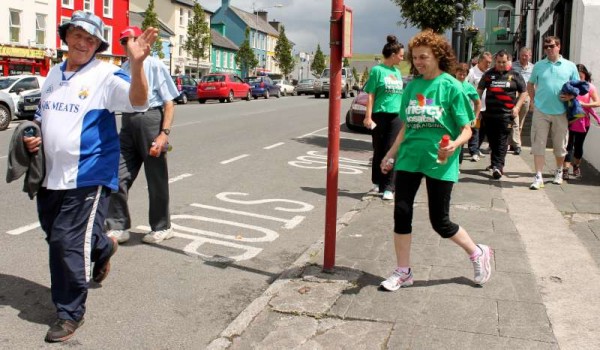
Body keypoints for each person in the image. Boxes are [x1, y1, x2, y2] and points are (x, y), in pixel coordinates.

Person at [22, 12, 157, 342]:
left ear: (99, 45)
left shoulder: (107, 75)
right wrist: (32, 135)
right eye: (78, 35)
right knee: (57, 234)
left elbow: (138, 101)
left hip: (88, 174)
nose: (83, 43)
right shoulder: (53, 74)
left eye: (91, 39)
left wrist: (137, 65)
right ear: (66, 36)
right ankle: (103, 247)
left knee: (65, 242)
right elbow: (42, 116)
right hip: (50, 176)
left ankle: (69, 313)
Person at [379, 29, 492, 292]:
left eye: (423, 57)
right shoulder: (412, 87)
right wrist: (390, 154)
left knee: (440, 222)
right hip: (409, 158)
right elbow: (406, 127)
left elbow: (467, 128)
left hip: (441, 160)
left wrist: (454, 144)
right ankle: (403, 271)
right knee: (401, 212)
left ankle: (477, 253)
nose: (418, 62)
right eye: (415, 57)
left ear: (437, 56)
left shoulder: (451, 86)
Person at [105, 26, 179, 244]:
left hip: (150, 119)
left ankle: (162, 227)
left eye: (132, 39)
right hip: (128, 122)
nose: (129, 44)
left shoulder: (155, 65)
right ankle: (118, 225)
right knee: (116, 176)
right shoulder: (123, 68)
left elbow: (169, 102)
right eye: (124, 40)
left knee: (156, 178)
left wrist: (164, 134)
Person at [527, 36, 579, 189]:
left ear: (559, 46)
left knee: (560, 145)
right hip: (541, 111)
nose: (548, 49)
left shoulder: (570, 66)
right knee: (538, 144)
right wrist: (533, 100)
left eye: (551, 46)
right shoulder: (539, 65)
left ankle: (558, 171)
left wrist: (571, 96)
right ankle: (538, 177)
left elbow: (578, 88)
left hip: (561, 111)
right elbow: (530, 85)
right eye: (546, 47)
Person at [363, 35, 405, 200]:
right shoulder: (377, 71)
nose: (402, 58)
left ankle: (389, 187)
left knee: (391, 150)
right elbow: (371, 95)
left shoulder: (398, 72)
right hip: (379, 115)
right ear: (393, 54)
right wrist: (368, 116)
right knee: (379, 149)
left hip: (396, 116)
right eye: (401, 55)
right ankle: (377, 182)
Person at [477, 50, 528, 179]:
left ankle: (498, 166)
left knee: (502, 140)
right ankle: (495, 163)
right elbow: (479, 90)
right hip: (489, 114)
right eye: (498, 62)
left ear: (508, 61)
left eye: (503, 62)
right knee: (493, 141)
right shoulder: (489, 74)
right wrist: (477, 108)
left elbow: (524, 92)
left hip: (506, 115)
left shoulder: (515, 74)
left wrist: (517, 107)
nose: (500, 64)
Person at [562, 64, 600, 179]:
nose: (578, 79)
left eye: (581, 76)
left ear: (585, 75)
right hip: (569, 119)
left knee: (578, 146)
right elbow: (561, 98)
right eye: (576, 76)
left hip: (583, 121)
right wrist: (568, 98)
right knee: (568, 145)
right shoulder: (569, 87)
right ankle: (565, 169)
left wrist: (584, 105)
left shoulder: (590, 87)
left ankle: (576, 166)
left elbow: (597, 103)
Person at [466, 52, 492, 161]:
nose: (488, 65)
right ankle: (473, 151)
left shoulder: (489, 73)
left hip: (486, 106)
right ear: (480, 61)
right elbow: (466, 87)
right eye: (486, 62)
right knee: (475, 129)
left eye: (490, 63)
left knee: (483, 130)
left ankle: (477, 148)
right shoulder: (471, 73)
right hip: (474, 107)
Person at [454, 62, 482, 165]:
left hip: (463, 118)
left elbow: (478, 103)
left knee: (460, 142)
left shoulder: (468, 86)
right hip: (450, 118)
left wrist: (475, 117)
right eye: (459, 74)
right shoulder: (450, 84)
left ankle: (457, 165)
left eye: (464, 75)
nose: (461, 76)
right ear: (455, 72)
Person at [510, 47, 534, 155]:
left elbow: (534, 84)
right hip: (514, 95)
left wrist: (533, 100)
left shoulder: (533, 68)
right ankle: (518, 145)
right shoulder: (513, 66)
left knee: (520, 123)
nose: (524, 57)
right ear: (519, 55)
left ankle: (514, 143)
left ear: (530, 56)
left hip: (526, 96)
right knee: (515, 119)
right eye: (522, 55)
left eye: (526, 55)